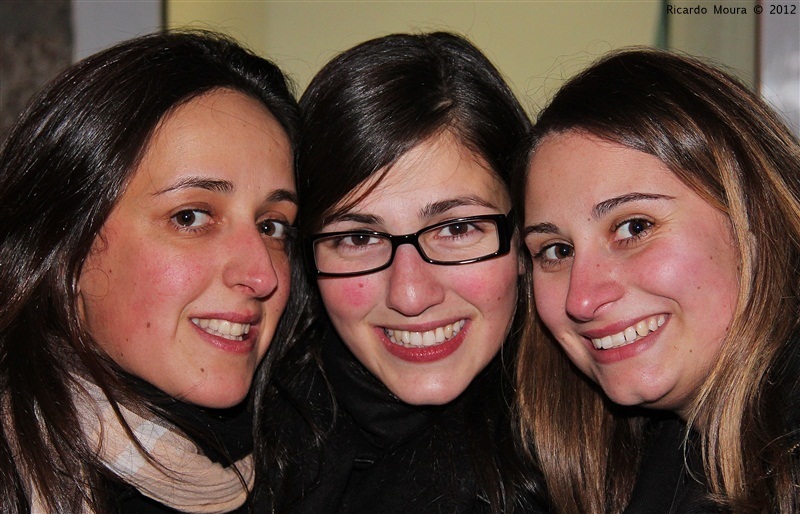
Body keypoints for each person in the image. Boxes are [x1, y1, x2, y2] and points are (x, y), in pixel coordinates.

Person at [0, 31, 303, 513]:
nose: (262, 274)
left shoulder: (312, 461)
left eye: (272, 226)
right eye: (191, 217)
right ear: (66, 245)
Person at [259, 32, 544, 513]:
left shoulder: (621, 465)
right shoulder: (233, 461)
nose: (410, 295)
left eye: (456, 228)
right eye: (358, 238)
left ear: (523, 239)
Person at [515, 47, 800, 513]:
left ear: (754, 217)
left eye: (634, 227)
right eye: (557, 251)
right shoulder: (653, 462)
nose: (581, 299)